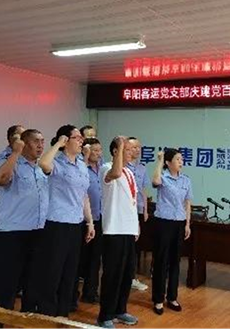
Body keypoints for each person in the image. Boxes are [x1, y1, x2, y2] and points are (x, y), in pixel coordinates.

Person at [29, 125, 95, 317]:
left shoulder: (81, 164)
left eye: (81, 138)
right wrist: (58, 144)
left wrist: (90, 222)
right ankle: (47, 312)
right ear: (66, 141)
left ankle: (63, 312)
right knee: (53, 270)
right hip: (57, 224)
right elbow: (43, 164)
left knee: (70, 272)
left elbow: (84, 195)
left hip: (76, 224)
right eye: (77, 137)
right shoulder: (56, 162)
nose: (81, 140)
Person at [0, 129, 48, 313]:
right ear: (24, 143)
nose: (40, 145)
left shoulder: (40, 168)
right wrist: (15, 153)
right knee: (7, 282)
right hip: (13, 233)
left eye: (42, 141)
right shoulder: (11, 162)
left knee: (33, 280)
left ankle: (28, 318)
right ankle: (0, 320)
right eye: (36, 141)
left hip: (37, 230)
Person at [97, 137, 139, 329]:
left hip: (128, 229)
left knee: (127, 274)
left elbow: (132, 201)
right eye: (128, 149)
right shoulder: (107, 168)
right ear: (116, 152)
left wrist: (136, 226)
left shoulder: (129, 172)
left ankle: (120, 310)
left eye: (133, 149)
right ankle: (105, 315)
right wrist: (120, 145)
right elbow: (114, 173)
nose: (133, 152)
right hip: (114, 229)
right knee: (112, 274)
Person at [151, 148, 192, 315]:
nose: (181, 162)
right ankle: (158, 299)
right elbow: (155, 181)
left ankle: (172, 297)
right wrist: (159, 160)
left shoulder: (186, 180)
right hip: (164, 223)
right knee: (161, 261)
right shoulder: (163, 177)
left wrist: (187, 224)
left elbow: (187, 203)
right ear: (168, 163)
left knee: (175, 261)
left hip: (179, 223)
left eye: (181, 159)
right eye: (177, 159)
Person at [0, 124, 25, 302]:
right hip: (7, 219)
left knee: (21, 260)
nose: (22, 139)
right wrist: (15, 153)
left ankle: (17, 288)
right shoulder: (5, 156)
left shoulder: (29, 158)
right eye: (18, 136)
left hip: (25, 219)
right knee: (0, 262)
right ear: (10, 139)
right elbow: (2, 178)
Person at [72, 138, 104, 307]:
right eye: (95, 150)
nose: (98, 153)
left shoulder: (102, 168)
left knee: (95, 259)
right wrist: (84, 157)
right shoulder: (80, 165)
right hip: (82, 219)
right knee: (78, 259)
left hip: (98, 218)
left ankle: (90, 293)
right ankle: (72, 295)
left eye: (100, 150)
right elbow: (80, 184)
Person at [127, 137, 150, 292]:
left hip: (139, 210)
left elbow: (143, 190)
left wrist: (145, 209)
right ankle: (127, 276)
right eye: (134, 147)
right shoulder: (122, 167)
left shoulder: (142, 168)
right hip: (126, 210)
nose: (137, 150)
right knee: (128, 246)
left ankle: (132, 277)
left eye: (139, 147)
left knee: (136, 247)